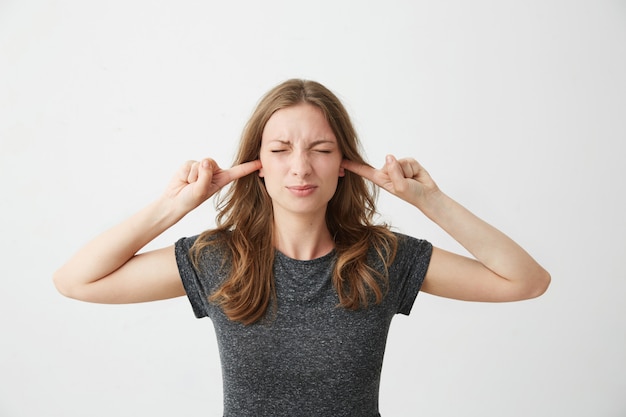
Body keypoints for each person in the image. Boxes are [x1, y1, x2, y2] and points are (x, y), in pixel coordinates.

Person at [53, 79, 550, 417]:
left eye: (321, 149)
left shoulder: (383, 259)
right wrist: (174, 206)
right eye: (280, 149)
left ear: (344, 163)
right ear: (258, 163)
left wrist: (430, 201)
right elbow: (76, 281)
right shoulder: (219, 260)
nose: (300, 168)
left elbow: (526, 281)